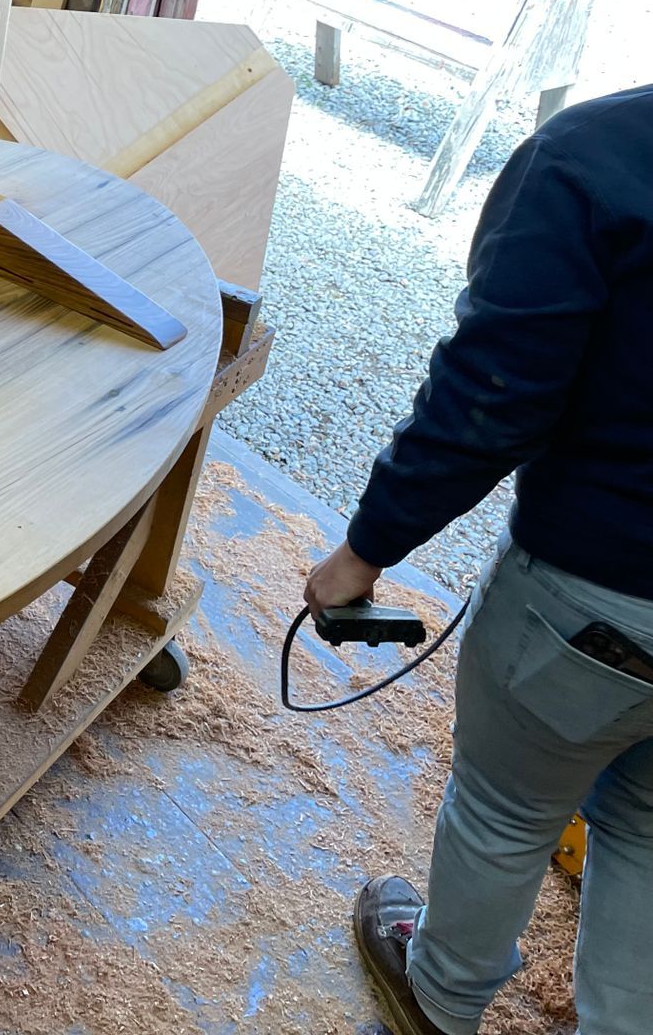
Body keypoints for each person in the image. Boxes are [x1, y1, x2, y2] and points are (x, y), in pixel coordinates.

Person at [300, 84, 653, 1035]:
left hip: (598, 598)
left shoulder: (598, 157)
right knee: (650, 830)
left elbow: (493, 395)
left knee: (506, 808)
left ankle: (442, 996)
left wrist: (365, 550)